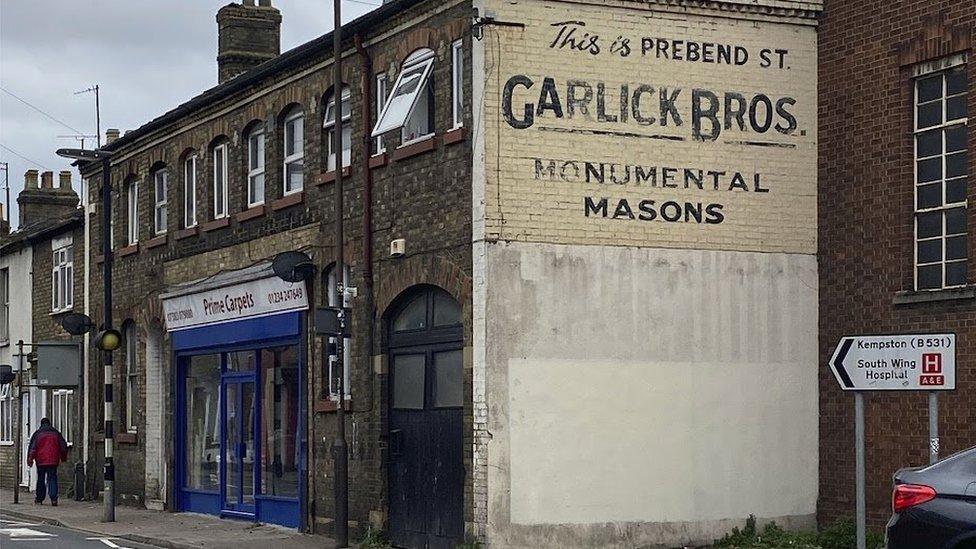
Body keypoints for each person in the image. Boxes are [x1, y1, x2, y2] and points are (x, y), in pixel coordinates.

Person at [26, 417, 68, 506]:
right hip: (53, 461)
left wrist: (30, 460)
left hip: (40, 461)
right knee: (52, 478)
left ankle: (39, 498)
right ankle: (54, 499)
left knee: (41, 479)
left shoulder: (37, 434)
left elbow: (33, 448)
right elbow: (63, 447)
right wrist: (63, 458)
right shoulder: (56, 433)